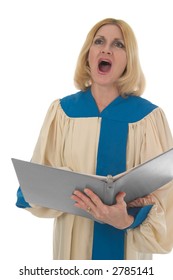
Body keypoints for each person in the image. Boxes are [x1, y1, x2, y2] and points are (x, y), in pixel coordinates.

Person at [16, 18, 173, 260]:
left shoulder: (148, 118)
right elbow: (39, 176)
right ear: (88, 55)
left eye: (118, 44)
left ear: (128, 60)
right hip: (73, 248)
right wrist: (35, 187)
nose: (106, 48)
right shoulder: (62, 112)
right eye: (99, 41)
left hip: (127, 251)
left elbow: (166, 196)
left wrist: (128, 220)